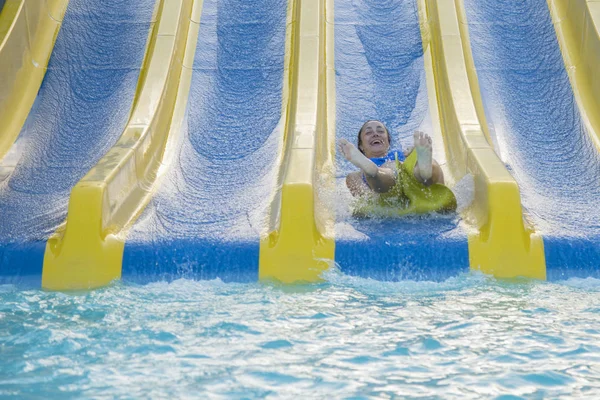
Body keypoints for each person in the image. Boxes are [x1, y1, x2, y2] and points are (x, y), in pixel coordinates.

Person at [338, 120, 444, 197]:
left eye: (380, 131)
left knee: (422, 161)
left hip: (410, 177)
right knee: (359, 176)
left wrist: (414, 152)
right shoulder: (357, 175)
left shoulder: (400, 154)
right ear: (361, 146)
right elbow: (365, 201)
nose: (375, 134)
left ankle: (424, 171)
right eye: (368, 132)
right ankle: (373, 173)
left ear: (388, 142)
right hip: (386, 185)